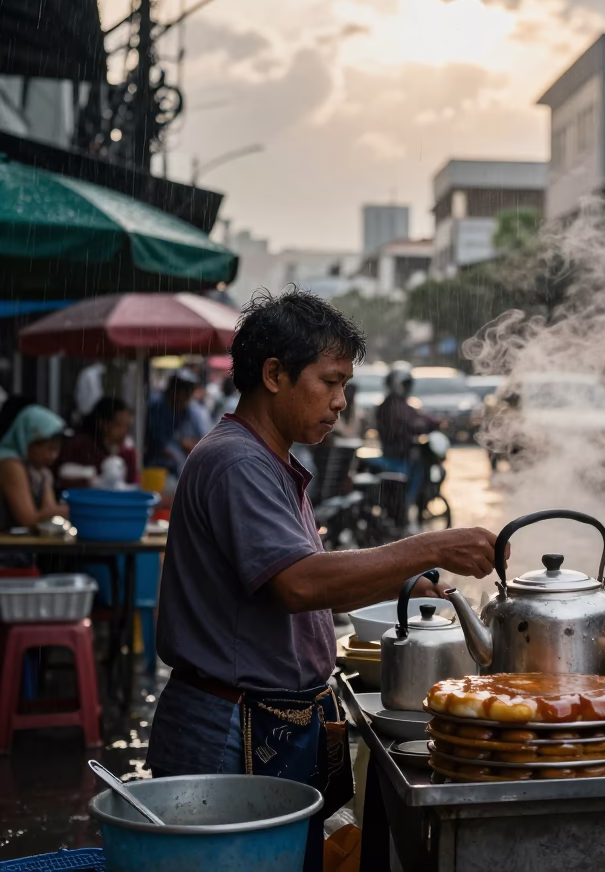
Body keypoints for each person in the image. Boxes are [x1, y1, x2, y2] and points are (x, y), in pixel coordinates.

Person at [147, 289, 498, 872]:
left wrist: (403, 579)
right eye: (329, 382)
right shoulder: (238, 462)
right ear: (275, 374)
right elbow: (299, 585)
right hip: (228, 729)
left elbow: (312, 580)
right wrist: (433, 545)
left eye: (346, 386)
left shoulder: (270, 461)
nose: (340, 402)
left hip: (265, 722)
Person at [0, 406, 69, 535]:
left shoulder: (40, 472)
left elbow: (49, 512)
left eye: (56, 449)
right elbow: (28, 519)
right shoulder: (9, 464)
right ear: (28, 440)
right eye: (49, 448)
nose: (53, 456)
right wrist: (72, 510)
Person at [376, 367, 438, 505]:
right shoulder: (390, 406)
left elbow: (420, 419)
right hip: (396, 455)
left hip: (401, 453)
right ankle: (406, 505)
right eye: (405, 384)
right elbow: (406, 425)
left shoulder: (401, 404)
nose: (407, 388)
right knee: (414, 474)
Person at [59, 396, 138, 490]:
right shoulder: (81, 446)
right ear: (102, 423)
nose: (124, 431)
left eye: (127, 426)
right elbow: (62, 479)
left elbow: (133, 483)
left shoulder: (128, 453)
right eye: (119, 425)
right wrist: (91, 480)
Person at [144, 370, 206, 475]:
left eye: (189, 392)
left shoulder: (193, 411)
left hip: (185, 471)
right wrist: (182, 445)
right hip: (158, 469)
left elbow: (203, 443)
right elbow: (161, 445)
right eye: (183, 391)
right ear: (172, 390)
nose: (186, 396)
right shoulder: (157, 408)